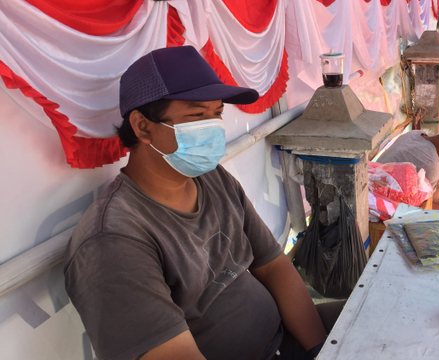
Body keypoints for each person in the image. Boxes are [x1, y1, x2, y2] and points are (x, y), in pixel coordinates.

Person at [64, 46, 339, 360]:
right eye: (197, 116)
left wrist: (321, 349)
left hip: (286, 340)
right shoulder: (113, 240)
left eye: (217, 113)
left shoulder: (212, 179)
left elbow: (274, 266)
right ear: (143, 127)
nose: (213, 128)